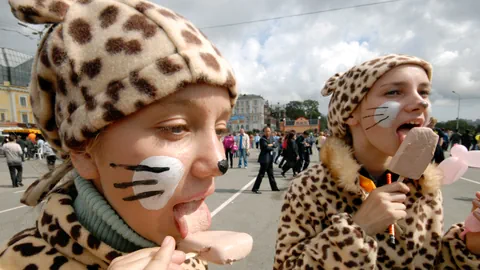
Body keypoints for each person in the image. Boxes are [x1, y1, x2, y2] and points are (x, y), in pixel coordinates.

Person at [1, 0, 239, 269]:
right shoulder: (15, 263)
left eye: (220, 130)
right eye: (176, 127)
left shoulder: (189, 258)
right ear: (82, 152)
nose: (219, 162)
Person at [274, 54, 480, 269]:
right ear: (351, 112)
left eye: (424, 92)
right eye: (394, 92)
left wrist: (472, 245)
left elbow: (431, 262)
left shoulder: (424, 185)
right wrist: (357, 230)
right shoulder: (310, 187)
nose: (421, 102)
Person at [251, 127, 279, 194]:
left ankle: (274, 187)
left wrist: (271, 145)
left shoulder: (271, 138)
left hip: (270, 158)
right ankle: (255, 188)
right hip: (264, 159)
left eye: (269, 131)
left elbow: (276, 144)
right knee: (261, 174)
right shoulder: (262, 139)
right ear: (264, 132)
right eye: (266, 131)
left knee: (271, 174)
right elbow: (266, 148)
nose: (268, 132)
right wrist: (271, 145)